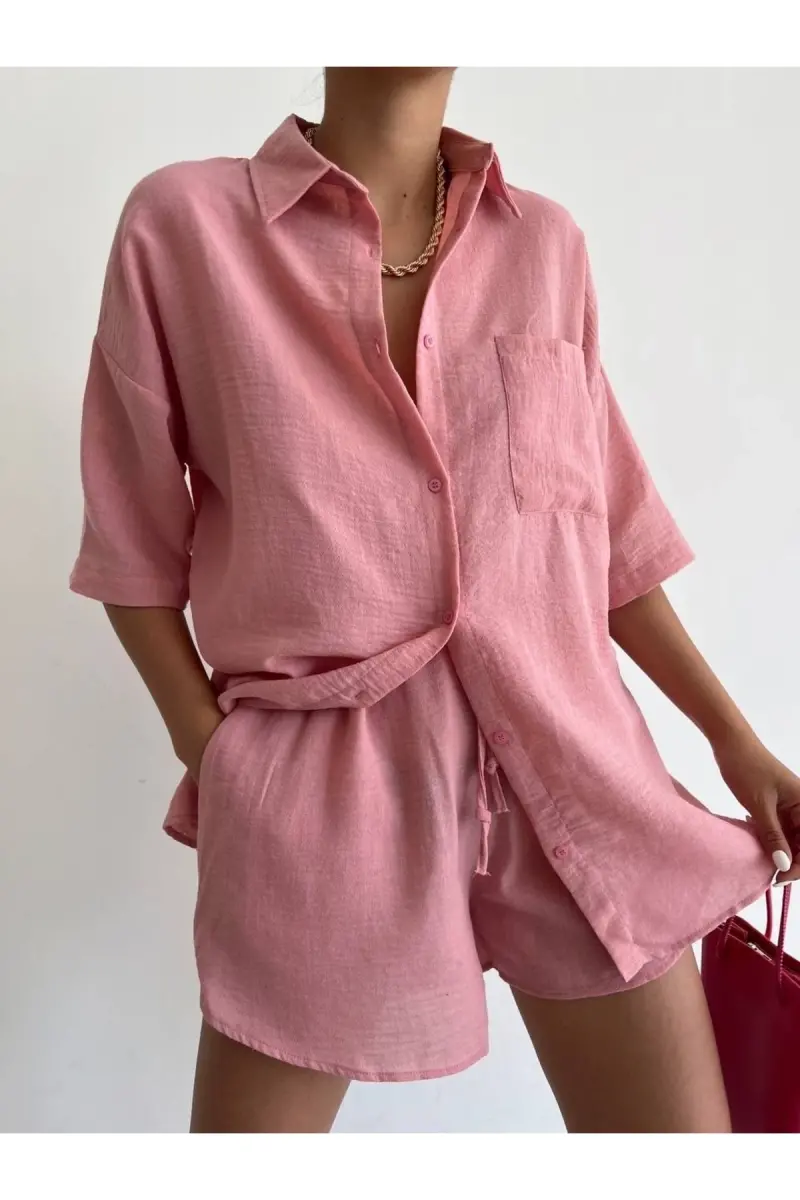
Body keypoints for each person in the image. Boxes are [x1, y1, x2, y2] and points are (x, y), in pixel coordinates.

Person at [69, 66, 799, 1133]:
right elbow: (131, 551)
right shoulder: (183, 227)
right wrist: (219, 760)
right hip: (324, 803)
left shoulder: (546, 246)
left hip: (574, 778)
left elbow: (606, 545)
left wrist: (736, 743)